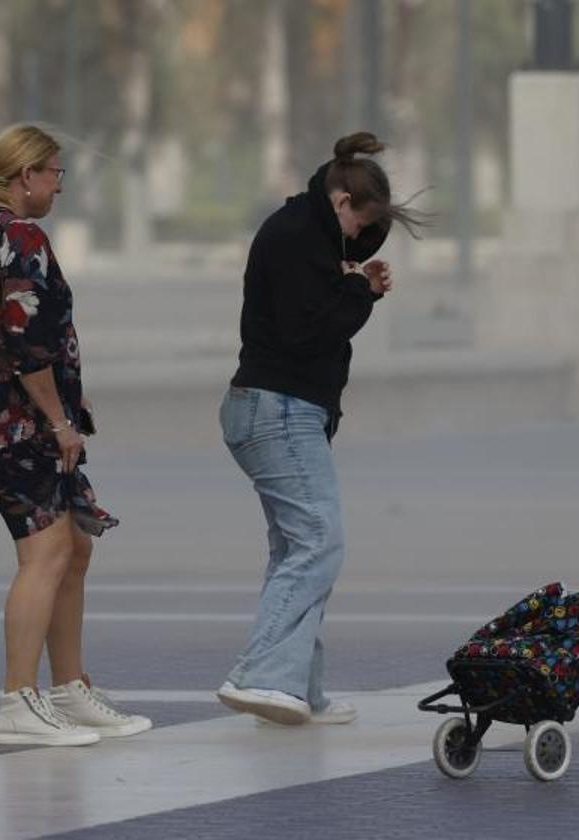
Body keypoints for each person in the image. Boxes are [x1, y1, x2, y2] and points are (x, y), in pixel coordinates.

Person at [0, 124, 151, 746]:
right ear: (26, 174)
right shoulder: (21, 235)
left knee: (74, 549)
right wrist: (60, 420)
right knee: (44, 554)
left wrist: (67, 396)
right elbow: (25, 341)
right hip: (16, 424)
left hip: (1, 414)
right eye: (54, 174)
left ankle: (69, 689)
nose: (59, 186)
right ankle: (18, 701)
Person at [216, 132, 423, 725]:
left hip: (277, 408)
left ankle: (297, 690)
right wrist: (361, 289)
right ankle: (258, 675)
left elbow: (355, 249)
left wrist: (360, 276)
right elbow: (308, 332)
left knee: (295, 551)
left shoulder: (315, 227)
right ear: (339, 203)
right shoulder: (295, 238)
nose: (363, 239)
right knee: (319, 543)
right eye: (360, 224)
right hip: (277, 408)